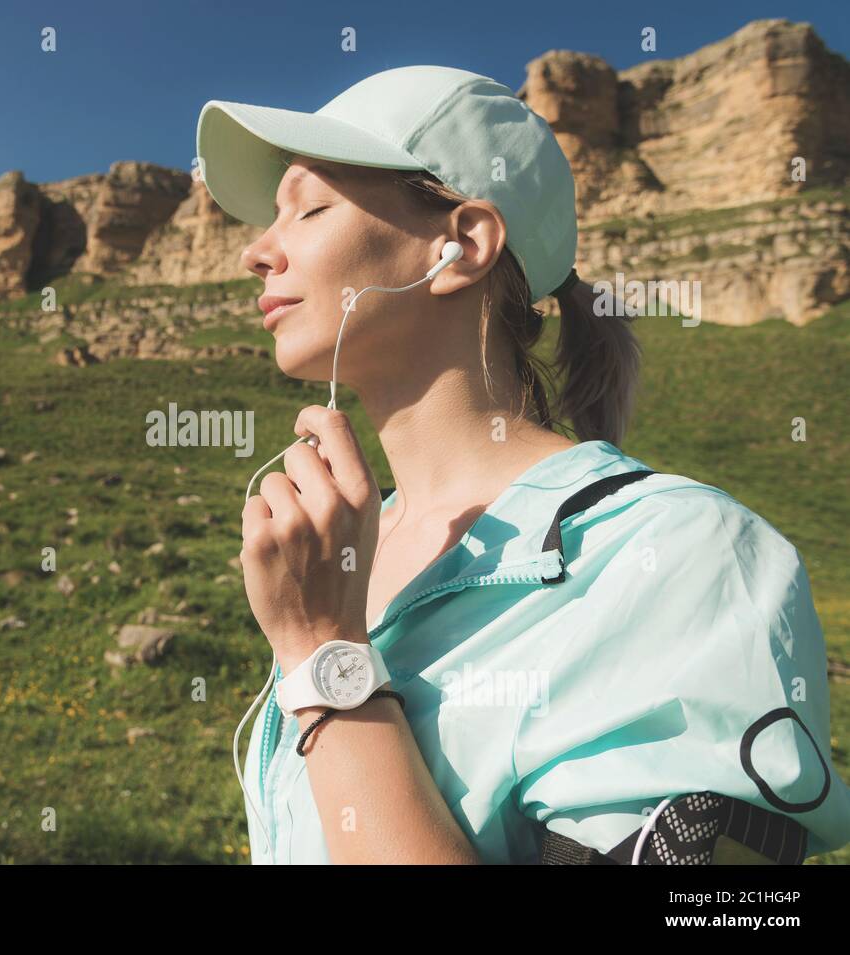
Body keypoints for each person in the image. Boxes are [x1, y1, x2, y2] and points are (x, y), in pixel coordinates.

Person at [195, 65, 850, 864]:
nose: (256, 253)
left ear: (463, 245)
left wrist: (328, 660)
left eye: (310, 208)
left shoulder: (687, 557)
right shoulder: (339, 558)